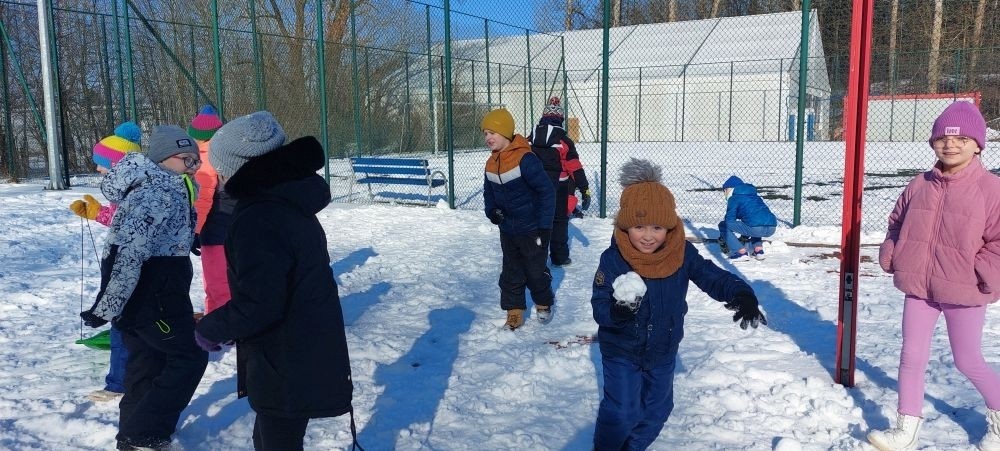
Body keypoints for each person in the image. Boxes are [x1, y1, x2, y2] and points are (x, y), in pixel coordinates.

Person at [193, 111, 356, 451]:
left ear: (241, 168)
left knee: (277, 437)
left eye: (220, 168)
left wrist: (212, 327)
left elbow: (260, 302)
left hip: (286, 355)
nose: (216, 175)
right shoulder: (283, 202)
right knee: (271, 433)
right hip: (296, 348)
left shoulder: (260, 217)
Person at [591, 158, 767, 451]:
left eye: (658, 227)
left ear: (670, 227)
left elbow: (710, 275)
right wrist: (617, 310)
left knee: (658, 410)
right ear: (625, 226)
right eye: (639, 226)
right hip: (622, 349)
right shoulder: (614, 259)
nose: (648, 236)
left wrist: (741, 293)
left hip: (663, 348)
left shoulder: (681, 252)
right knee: (622, 412)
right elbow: (599, 306)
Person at [867, 101, 1000, 451]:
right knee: (911, 356)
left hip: (965, 289)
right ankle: (905, 430)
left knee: (967, 360)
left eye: (960, 139)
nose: (950, 145)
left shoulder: (991, 189)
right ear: (933, 143)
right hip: (919, 287)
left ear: (977, 144)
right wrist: (892, 249)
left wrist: (980, 271)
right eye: (942, 138)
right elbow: (896, 222)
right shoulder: (919, 184)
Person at [79, 125, 208, 451]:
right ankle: (144, 432)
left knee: (146, 362)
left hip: (160, 292)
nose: (194, 167)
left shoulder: (170, 187)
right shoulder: (155, 192)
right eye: (187, 160)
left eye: (196, 161)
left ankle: (133, 436)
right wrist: (106, 307)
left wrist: (190, 238)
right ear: (166, 159)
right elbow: (126, 252)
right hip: (153, 297)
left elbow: (158, 235)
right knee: (189, 356)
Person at [69, 120, 141, 403]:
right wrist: (97, 212)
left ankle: (119, 383)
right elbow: (121, 220)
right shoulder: (131, 188)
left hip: (129, 269)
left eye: (102, 164)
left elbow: (130, 225)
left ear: (120, 165)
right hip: (127, 265)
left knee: (123, 321)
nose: (98, 169)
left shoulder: (136, 190)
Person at [482, 107, 556, 330]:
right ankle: (514, 311)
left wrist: (545, 227)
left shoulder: (526, 159)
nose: (488, 138)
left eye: (492, 132)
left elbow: (547, 192)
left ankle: (543, 302)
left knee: (535, 270)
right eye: (485, 133)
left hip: (532, 227)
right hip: (508, 229)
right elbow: (488, 193)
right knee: (511, 270)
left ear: (505, 132)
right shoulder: (490, 163)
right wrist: (492, 211)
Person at [529, 96, 591, 267]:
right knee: (559, 221)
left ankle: (535, 256)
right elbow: (574, 166)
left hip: (535, 185)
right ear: (560, 119)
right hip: (559, 186)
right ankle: (560, 256)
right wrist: (584, 189)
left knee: (537, 220)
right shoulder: (564, 140)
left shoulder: (530, 138)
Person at [188, 105, 235, 315]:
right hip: (230, 226)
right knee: (225, 276)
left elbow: (203, 197)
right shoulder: (228, 153)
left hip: (216, 228)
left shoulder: (206, 157)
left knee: (217, 280)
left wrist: (195, 230)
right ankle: (217, 317)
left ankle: (222, 322)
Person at [718, 175, 777, 261]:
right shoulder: (754, 196)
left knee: (723, 225)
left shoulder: (734, 198)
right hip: (772, 227)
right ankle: (759, 251)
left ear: (730, 189)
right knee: (752, 222)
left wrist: (724, 236)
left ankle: (740, 253)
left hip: (755, 228)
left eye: (725, 190)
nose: (725, 193)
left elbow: (729, 220)